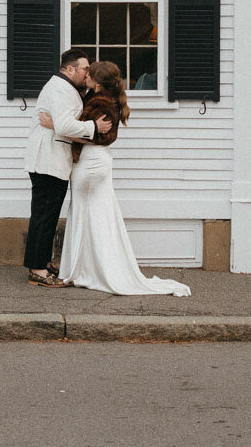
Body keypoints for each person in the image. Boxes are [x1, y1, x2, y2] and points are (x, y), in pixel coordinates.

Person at [39, 61, 191, 297]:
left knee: (87, 213)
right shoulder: (100, 96)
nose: (85, 75)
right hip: (95, 163)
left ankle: (89, 270)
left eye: (90, 74)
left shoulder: (102, 102)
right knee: (92, 213)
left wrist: (55, 126)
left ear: (98, 82)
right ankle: (87, 268)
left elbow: (95, 137)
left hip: (91, 163)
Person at [21, 49, 112, 287]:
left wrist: (57, 125)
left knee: (47, 215)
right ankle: (38, 271)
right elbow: (64, 124)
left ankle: (42, 262)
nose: (87, 73)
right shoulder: (61, 89)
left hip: (51, 161)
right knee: (44, 216)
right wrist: (93, 127)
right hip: (48, 161)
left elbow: (59, 124)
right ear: (69, 69)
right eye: (84, 69)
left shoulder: (66, 88)